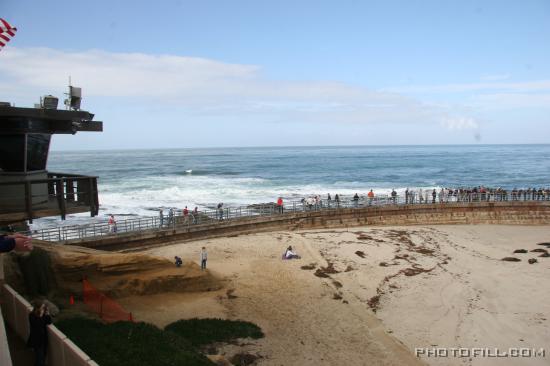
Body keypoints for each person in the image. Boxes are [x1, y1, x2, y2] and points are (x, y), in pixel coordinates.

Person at [27, 299, 52, 366]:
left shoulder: (43, 314)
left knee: (42, 358)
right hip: (37, 341)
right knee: (39, 359)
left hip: (44, 340)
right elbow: (38, 326)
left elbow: (49, 322)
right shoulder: (31, 315)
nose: (43, 309)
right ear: (37, 308)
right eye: (42, 307)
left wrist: (47, 314)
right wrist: (40, 315)